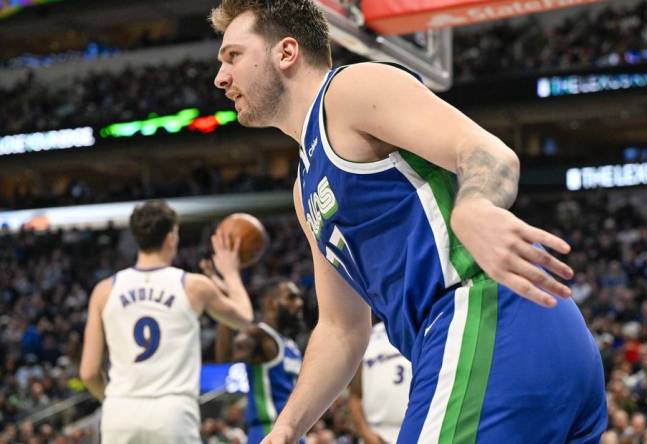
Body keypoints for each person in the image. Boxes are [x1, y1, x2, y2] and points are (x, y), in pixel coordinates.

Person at [209, 1, 606, 442]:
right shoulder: (305, 190)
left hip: (484, 312)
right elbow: (343, 328)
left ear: (286, 52)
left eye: (233, 56)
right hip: (532, 335)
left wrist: (474, 205)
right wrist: (288, 426)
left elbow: (488, 153)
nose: (220, 77)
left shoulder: (350, 90)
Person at [79, 200, 254, 443]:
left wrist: (111, 400)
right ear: (171, 237)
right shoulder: (193, 286)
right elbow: (245, 318)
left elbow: (88, 373)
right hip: (172, 411)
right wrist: (231, 272)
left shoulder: (104, 290)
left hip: (120, 412)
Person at [209, 271, 306, 444]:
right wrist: (226, 311)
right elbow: (224, 356)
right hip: (269, 430)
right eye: (291, 298)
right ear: (271, 303)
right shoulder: (258, 336)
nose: (299, 303)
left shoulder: (291, 345)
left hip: (296, 431)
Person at [348, 321, 412, 444]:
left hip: (418, 430)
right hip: (377, 434)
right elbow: (355, 396)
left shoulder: (424, 328)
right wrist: (367, 435)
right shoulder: (366, 337)